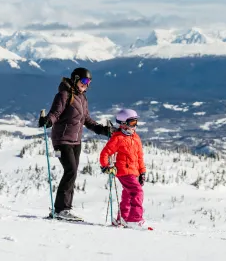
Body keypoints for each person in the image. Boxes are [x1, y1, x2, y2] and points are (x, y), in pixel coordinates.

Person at [38, 67, 114, 221]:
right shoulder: (64, 95)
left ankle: (65, 208)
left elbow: (87, 120)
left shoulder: (82, 98)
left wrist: (102, 130)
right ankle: (60, 209)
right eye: (84, 81)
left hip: (76, 141)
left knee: (72, 173)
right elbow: (55, 113)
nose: (86, 85)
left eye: (89, 82)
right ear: (75, 79)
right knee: (70, 171)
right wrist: (48, 121)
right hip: (62, 140)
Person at [99, 108, 148, 229]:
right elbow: (105, 153)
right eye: (132, 122)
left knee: (127, 195)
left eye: (136, 122)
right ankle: (134, 219)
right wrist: (105, 166)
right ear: (123, 123)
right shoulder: (118, 138)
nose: (135, 126)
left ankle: (123, 218)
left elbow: (139, 157)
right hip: (123, 171)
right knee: (137, 192)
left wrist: (142, 172)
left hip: (134, 171)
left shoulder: (135, 138)